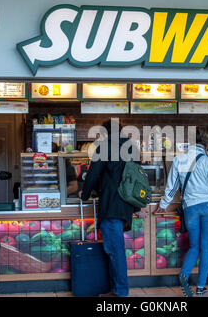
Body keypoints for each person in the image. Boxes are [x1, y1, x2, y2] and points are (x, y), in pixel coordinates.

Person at [78, 119, 146, 297]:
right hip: (126, 205)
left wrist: (84, 194)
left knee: (115, 251)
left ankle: (121, 291)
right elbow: (136, 178)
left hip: (111, 204)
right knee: (115, 250)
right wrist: (136, 207)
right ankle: (116, 289)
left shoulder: (105, 146)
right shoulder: (132, 147)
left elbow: (92, 174)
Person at [154, 127, 208, 297]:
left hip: (189, 208)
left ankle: (184, 275)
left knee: (194, 246)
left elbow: (171, 187)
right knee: (205, 247)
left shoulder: (179, 159)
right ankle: (200, 287)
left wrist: (163, 204)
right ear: (206, 144)